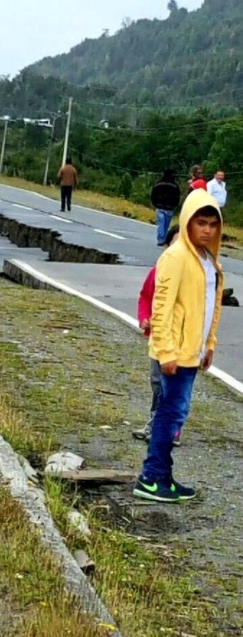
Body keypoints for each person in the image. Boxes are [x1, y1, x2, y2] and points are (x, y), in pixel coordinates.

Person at [133, 190, 224, 503]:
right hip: (175, 353)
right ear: (187, 222)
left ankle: (163, 476)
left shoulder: (208, 259)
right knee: (169, 414)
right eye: (201, 223)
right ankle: (151, 477)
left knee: (175, 414)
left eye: (213, 224)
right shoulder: (175, 257)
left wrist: (208, 345)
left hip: (192, 352)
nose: (207, 230)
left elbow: (210, 306)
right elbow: (162, 307)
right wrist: (166, 351)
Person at [133, 225, 181, 445]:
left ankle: (172, 428)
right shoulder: (157, 271)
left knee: (175, 383)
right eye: (174, 243)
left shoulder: (192, 275)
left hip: (180, 339)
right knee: (156, 381)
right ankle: (155, 422)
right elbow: (145, 297)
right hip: (157, 336)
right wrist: (144, 318)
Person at [150, 170, 181, 246]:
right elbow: (178, 197)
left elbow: (153, 195)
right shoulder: (175, 186)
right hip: (169, 208)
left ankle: (161, 239)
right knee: (166, 224)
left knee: (161, 223)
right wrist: (175, 205)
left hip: (159, 206)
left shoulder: (158, 184)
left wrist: (155, 204)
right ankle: (164, 238)